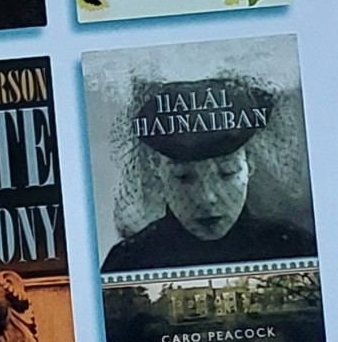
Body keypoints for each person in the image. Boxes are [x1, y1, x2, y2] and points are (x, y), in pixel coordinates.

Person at [101, 78, 317, 272]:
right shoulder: (127, 262)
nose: (207, 198)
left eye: (227, 173)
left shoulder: (295, 248)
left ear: (249, 163)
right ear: (156, 166)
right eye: (183, 177)